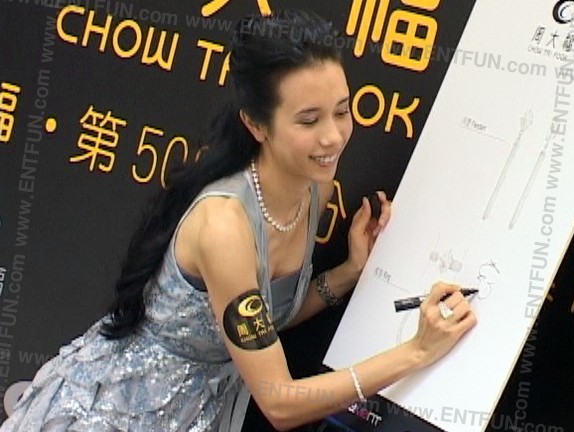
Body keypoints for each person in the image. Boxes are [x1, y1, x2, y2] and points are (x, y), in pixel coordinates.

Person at [0, 9, 477, 432]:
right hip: (123, 412)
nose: (333, 137)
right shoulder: (224, 227)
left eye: (342, 111)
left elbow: (263, 321)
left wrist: (349, 271)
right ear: (256, 124)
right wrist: (416, 352)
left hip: (203, 410)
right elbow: (280, 403)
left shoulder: (314, 188)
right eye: (309, 120)